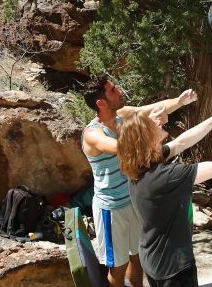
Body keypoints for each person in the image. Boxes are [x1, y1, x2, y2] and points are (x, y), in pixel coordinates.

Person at [118, 97, 212, 287]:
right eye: (150, 122)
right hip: (174, 267)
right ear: (146, 137)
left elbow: (181, 142)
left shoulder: (139, 167)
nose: (157, 120)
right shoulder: (165, 177)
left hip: (153, 257)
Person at [81, 77, 199, 287]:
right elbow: (124, 148)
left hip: (133, 201)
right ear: (101, 102)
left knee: (138, 258)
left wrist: (180, 102)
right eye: (113, 90)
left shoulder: (122, 116)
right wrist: (149, 129)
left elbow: (152, 108)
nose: (119, 92)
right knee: (117, 268)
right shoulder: (93, 134)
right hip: (111, 209)